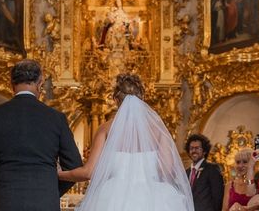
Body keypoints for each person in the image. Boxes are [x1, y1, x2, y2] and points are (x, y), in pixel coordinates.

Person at [58, 73, 193, 211]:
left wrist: (59, 174)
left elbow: (88, 173)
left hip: (111, 198)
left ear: (115, 99)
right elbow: (168, 170)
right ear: (143, 97)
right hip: (154, 198)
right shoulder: (158, 131)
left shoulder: (105, 129)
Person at [0, 59, 82, 211]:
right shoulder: (56, 118)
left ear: (11, 84)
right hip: (45, 202)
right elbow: (74, 165)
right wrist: (50, 190)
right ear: (40, 83)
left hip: (7, 202)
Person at [185, 133, 225, 211]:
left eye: (197, 148)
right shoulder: (186, 172)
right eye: (191, 148)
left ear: (204, 151)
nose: (194, 151)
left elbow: (218, 197)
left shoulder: (212, 169)